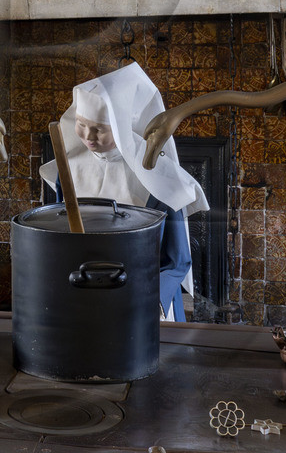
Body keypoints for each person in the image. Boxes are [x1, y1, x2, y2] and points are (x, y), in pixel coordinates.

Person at [38, 63, 210, 321]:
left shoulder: (156, 176)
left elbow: (177, 261)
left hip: (144, 299)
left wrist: (151, 301)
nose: (88, 136)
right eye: (82, 124)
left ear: (120, 125)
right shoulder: (69, 168)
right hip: (83, 292)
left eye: (100, 128)